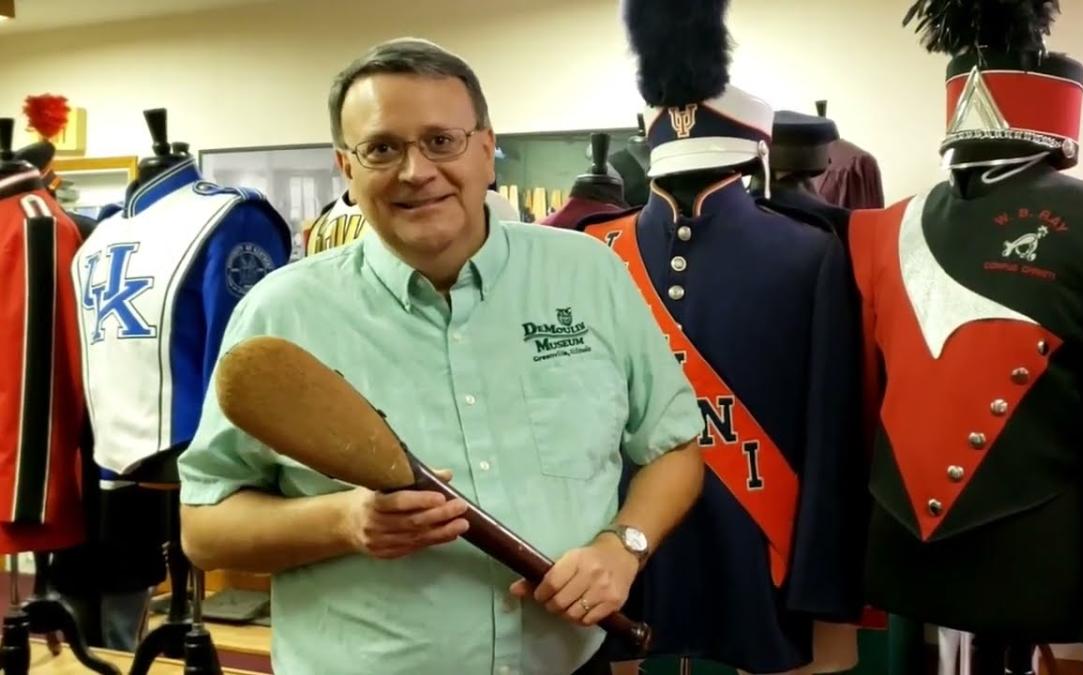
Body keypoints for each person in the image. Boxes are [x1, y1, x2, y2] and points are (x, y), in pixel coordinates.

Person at [177, 37, 705, 675]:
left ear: (487, 149)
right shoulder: (281, 313)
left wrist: (624, 547)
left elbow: (674, 449)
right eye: (381, 148)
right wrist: (344, 522)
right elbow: (204, 531)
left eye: (441, 141)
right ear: (346, 170)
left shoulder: (589, 274)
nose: (415, 171)